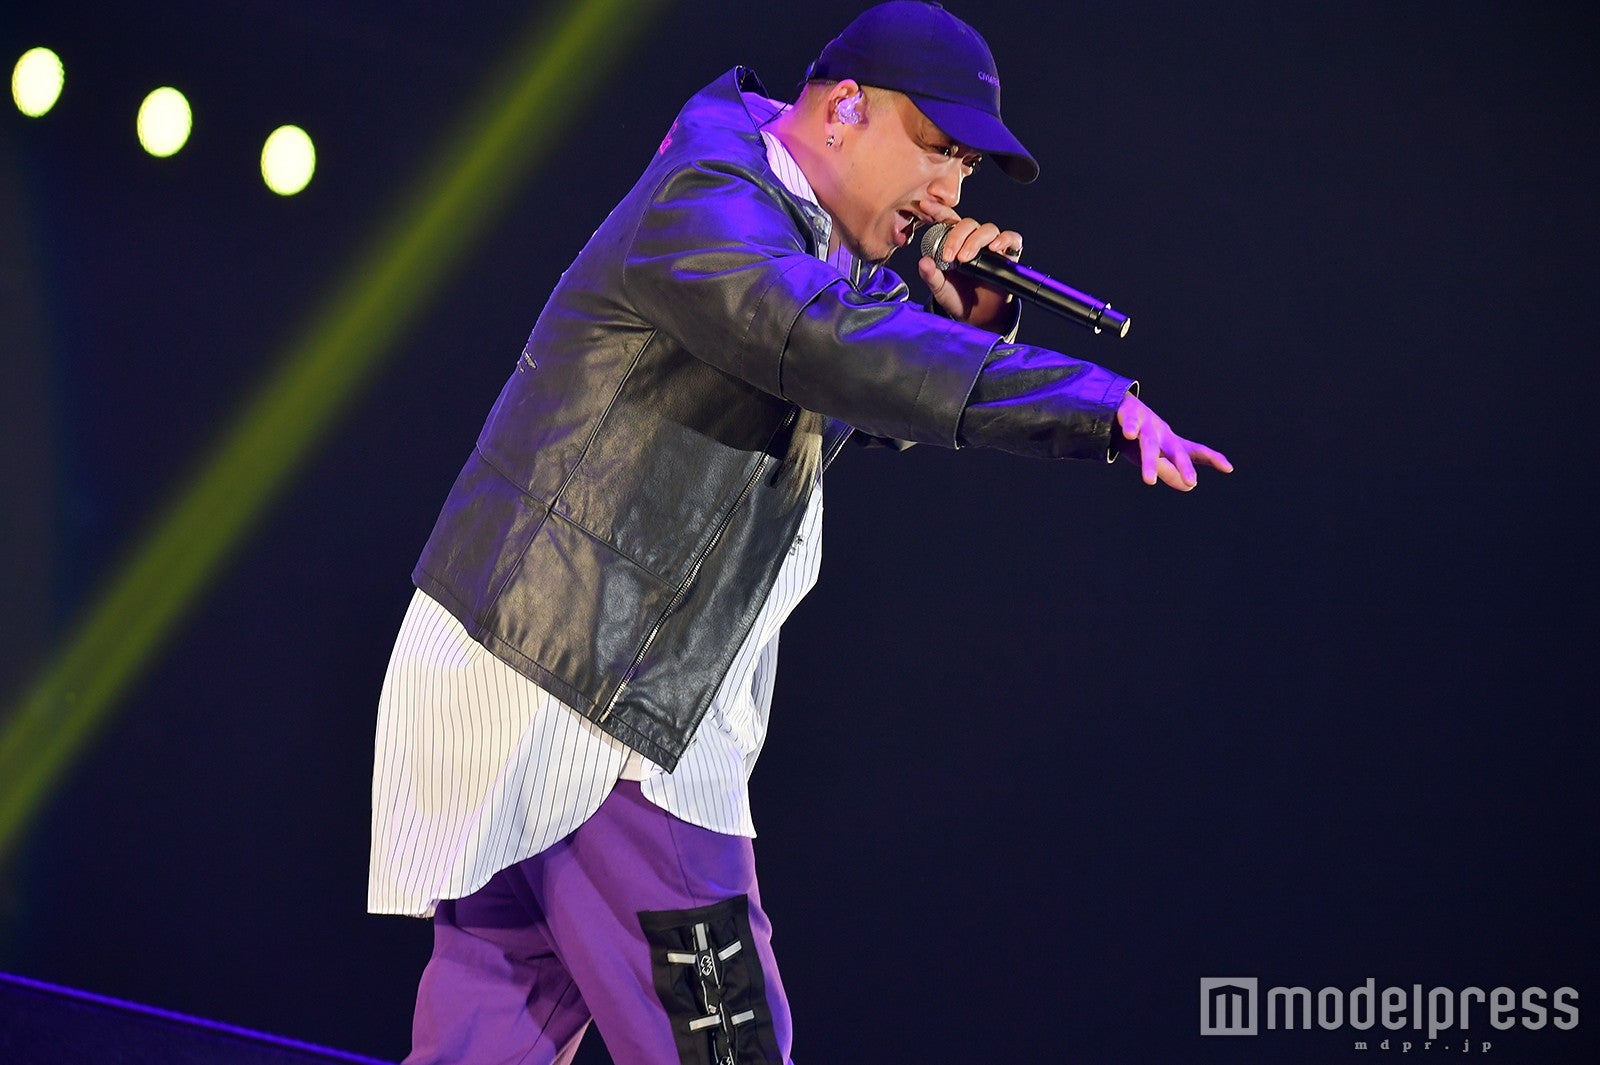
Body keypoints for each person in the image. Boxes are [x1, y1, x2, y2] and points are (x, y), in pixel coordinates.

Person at [368, 3, 1232, 1062]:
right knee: (727, 1043)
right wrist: (1085, 400)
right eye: (938, 149)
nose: (949, 194)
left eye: (964, 169)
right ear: (843, 108)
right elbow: (820, 342)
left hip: (541, 668)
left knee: (486, 1038)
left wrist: (955, 322)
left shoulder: (783, 224)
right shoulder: (710, 197)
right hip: (596, 697)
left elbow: (828, 375)